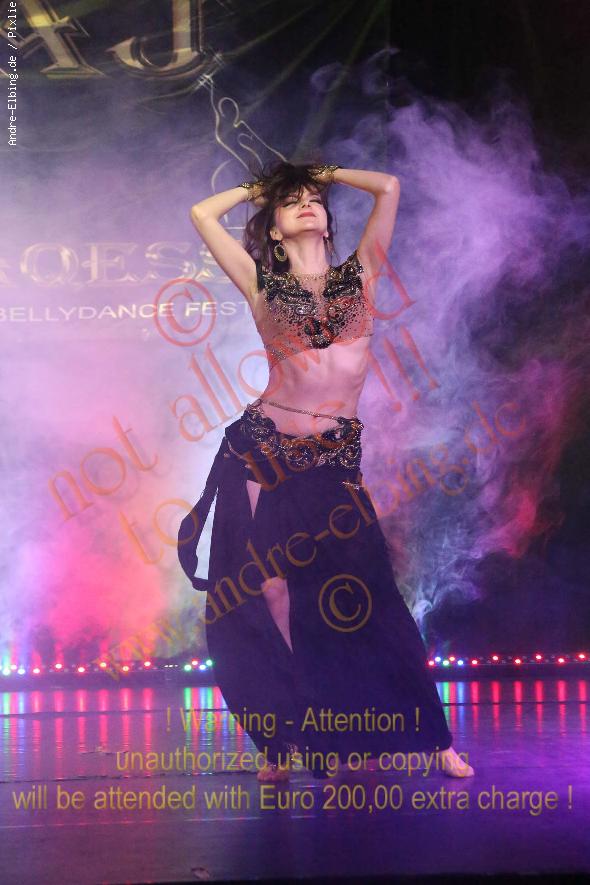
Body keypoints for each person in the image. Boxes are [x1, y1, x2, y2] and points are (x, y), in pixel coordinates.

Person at [178, 160, 474, 782]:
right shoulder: (261, 284)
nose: (307, 203)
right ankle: (286, 738)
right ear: (275, 229)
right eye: (292, 203)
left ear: (328, 220)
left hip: (334, 457)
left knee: (371, 594)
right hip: (264, 450)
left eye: (314, 198)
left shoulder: (360, 274)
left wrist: (325, 172)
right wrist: (266, 187)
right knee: (269, 593)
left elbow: (389, 187)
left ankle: (433, 737)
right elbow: (203, 214)